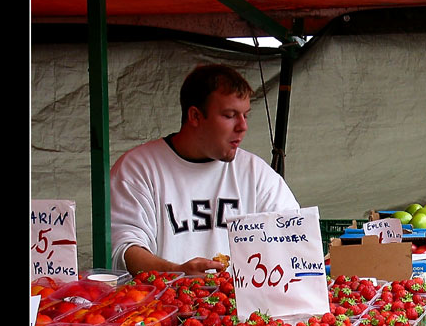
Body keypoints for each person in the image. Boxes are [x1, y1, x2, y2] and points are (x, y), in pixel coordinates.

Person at [111, 64, 300, 275]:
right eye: (230, 115)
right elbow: (126, 249)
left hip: (242, 306)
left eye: (245, 115)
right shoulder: (139, 168)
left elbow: (294, 235)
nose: (242, 126)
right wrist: (178, 273)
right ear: (195, 116)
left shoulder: (255, 174)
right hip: (163, 305)